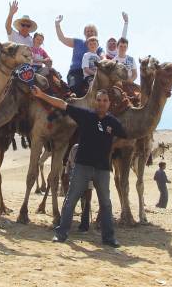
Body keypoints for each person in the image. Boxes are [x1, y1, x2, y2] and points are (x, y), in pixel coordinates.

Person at [30, 86, 127, 247]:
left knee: (106, 203)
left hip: (102, 169)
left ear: (109, 103)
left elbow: (125, 136)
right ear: (95, 102)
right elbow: (62, 104)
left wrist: (109, 145)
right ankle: (61, 234)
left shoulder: (113, 122)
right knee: (70, 200)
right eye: (99, 100)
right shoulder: (86, 116)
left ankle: (109, 238)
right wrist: (41, 95)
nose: (102, 103)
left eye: (105, 100)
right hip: (82, 166)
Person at [55, 12, 128, 96]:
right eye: (88, 31)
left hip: (92, 73)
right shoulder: (78, 42)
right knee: (75, 88)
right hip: (76, 72)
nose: (90, 33)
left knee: (102, 89)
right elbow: (62, 38)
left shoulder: (99, 48)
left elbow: (103, 58)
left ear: (95, 34)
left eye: (92, 31)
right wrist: (57, 24)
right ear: (85, 33)